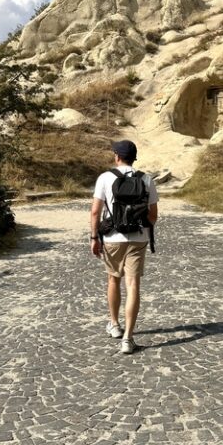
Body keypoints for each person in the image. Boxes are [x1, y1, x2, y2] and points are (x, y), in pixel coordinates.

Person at [90, 140, 159, 354]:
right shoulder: (146, 179)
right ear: (134, 157)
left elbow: (94, 212)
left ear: (116, 156)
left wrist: (94, 237)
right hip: (138, 238)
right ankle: (128, 338)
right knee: (133, 285)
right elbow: (153, 216)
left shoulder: (105, 177)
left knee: (113, 279)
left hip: (111, 238)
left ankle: (114, 325)